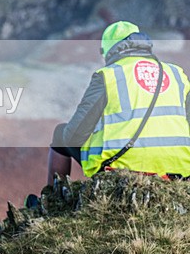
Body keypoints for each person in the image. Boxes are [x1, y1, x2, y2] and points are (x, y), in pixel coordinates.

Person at [48, 20, 190, 182]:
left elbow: (74, 136)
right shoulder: (177, 74)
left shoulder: (109, 75)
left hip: (123, 167)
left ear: (108, 51)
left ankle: (51, 199)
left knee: (61, 134)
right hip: (178, 170)